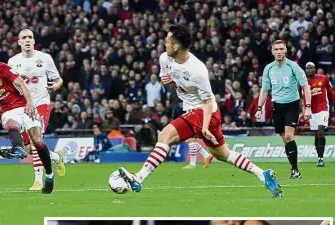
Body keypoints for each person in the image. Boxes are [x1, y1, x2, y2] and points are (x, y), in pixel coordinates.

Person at [118, 25, 282, 197]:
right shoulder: (164, 59)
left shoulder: (198, 70)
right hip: (196, 111)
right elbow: (170, 80)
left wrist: (204, 128)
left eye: (167, 42)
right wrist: (169, 83)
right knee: (223, 154)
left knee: (164, 136)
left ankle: (138, 178)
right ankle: (263, 175)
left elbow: (208, 102)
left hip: (205, 111)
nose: (164, 44)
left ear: (176, 47)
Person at [0, 47, 55, 194]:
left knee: (37, 142)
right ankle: (17, 147)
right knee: (11, 120)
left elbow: (22, 84)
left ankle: (49, 175)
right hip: (8, 110)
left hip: (25, 105)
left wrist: (30, 103)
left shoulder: (2, 68)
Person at [8, 29, 65, 191]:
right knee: (27, 148)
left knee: (35, 140)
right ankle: (55, 157)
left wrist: (56, 85)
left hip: (41, 103)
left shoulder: (45, 58)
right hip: (22, 105)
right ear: (19, 42)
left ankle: (38, 180)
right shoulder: (12, 61)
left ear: (34, 41)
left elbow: (58, 79)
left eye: (30, 37)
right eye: (24, 38)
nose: (27, 40)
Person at [256, 40, 312, 179]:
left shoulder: (293, 66)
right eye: (276, 49)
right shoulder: (269, 68)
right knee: (284, 138)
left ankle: (295, 170)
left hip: (292, 104)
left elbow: (305, 87)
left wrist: (308, 107)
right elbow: (264, 90)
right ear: (272, 51)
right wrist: (259, 108)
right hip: (277, 106)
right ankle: (293, 165)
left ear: (286, 50)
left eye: (281, 49)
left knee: (288, 136)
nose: (279, 51)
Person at [303, 62, 335, 167]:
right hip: (312, 111)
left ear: (315, 69)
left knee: (321, 131)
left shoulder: (323, 78)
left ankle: (321, 159)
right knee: (316, 135)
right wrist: (305, 110)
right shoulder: (304, 82)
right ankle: (319, 157)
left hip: (323, 108)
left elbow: (330, 91)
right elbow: (304, 98)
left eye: (311, 68)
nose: (309, 70)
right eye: (307, 68)